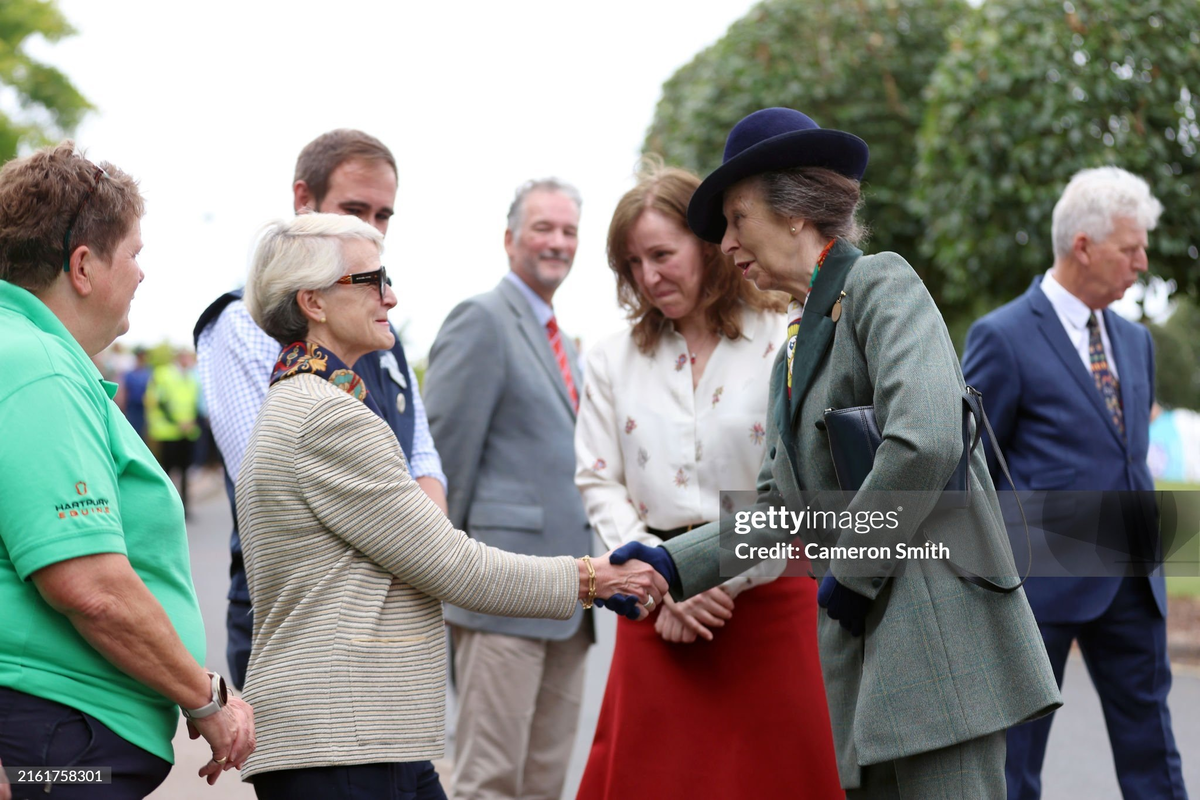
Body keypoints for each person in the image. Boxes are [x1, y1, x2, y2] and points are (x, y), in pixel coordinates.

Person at [637, 108, 1062, 798]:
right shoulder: (792, 352)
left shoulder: (881, 283)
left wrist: (853, 568)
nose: (725, 242)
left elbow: (924, 440)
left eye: (737, 217)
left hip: (942, 662)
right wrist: (668, 564)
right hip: (869, 674)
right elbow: (778, 511)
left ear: (797, 212)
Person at [235, 213, 666, 800]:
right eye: (373, 279)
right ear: (312, 301)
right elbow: (455, 566)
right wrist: (596, 578)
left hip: (361, 735)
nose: (391, 294)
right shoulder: (329, 418)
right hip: (344, 736)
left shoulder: (301, 401)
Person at [572, 159, 843, 799]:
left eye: (662, 254)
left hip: (770, 604)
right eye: (632, 264)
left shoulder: (786, 332)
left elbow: (801, 481)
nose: (649, 276)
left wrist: (701, 574)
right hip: (654, 610)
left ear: (708, 241)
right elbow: (598, 480)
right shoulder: (610, 358)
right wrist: (664, 582)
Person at [0, 143, 255, 797]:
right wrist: (207, 700)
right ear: (83, 266)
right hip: (55, 739)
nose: (142, 273)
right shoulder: (37, 368)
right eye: (134, 252)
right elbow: (91, 586)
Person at [194, 128, 448, 691]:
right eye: (355, 209)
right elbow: (275, 483)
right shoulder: (244, 323)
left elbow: (422, 454)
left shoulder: (380, 327)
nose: (372, 229)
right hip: (301, 618)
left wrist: (429, 547)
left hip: (389, 606)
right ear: (302, 201)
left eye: (384, 215)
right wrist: (432, 553)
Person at [962, 167, 1187, 799]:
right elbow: (970, 466)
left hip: (1133, 585)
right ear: (1083, 246)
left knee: (1156, 758)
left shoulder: (1136, 341)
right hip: (1038, 588)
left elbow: (1126, 461)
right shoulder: (1001, 337)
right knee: (1014, 768)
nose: (1142, 262)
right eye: (1130, 248)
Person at [423, 178, 590, 800]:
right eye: (543, 228)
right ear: (509, 238)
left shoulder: (564, 341)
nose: (557, 242)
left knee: (544, 781)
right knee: (489, 781)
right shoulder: (482, 319)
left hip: (570, 603)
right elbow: (444, 459)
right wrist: (443, 577)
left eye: (569, 231)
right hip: (499, 597)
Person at [145, 347, 202, 517]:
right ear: (178, 358)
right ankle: (166, 508)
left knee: (185, 471)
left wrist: (191, 422)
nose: (187, 360)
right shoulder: (163, 374)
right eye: (184, 357)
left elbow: (193, 403)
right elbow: (159, 402)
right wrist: (178, 422)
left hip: (188, 432)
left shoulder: (191, 377)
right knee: (167, 472)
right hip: (167, 432)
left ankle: (185, 507)